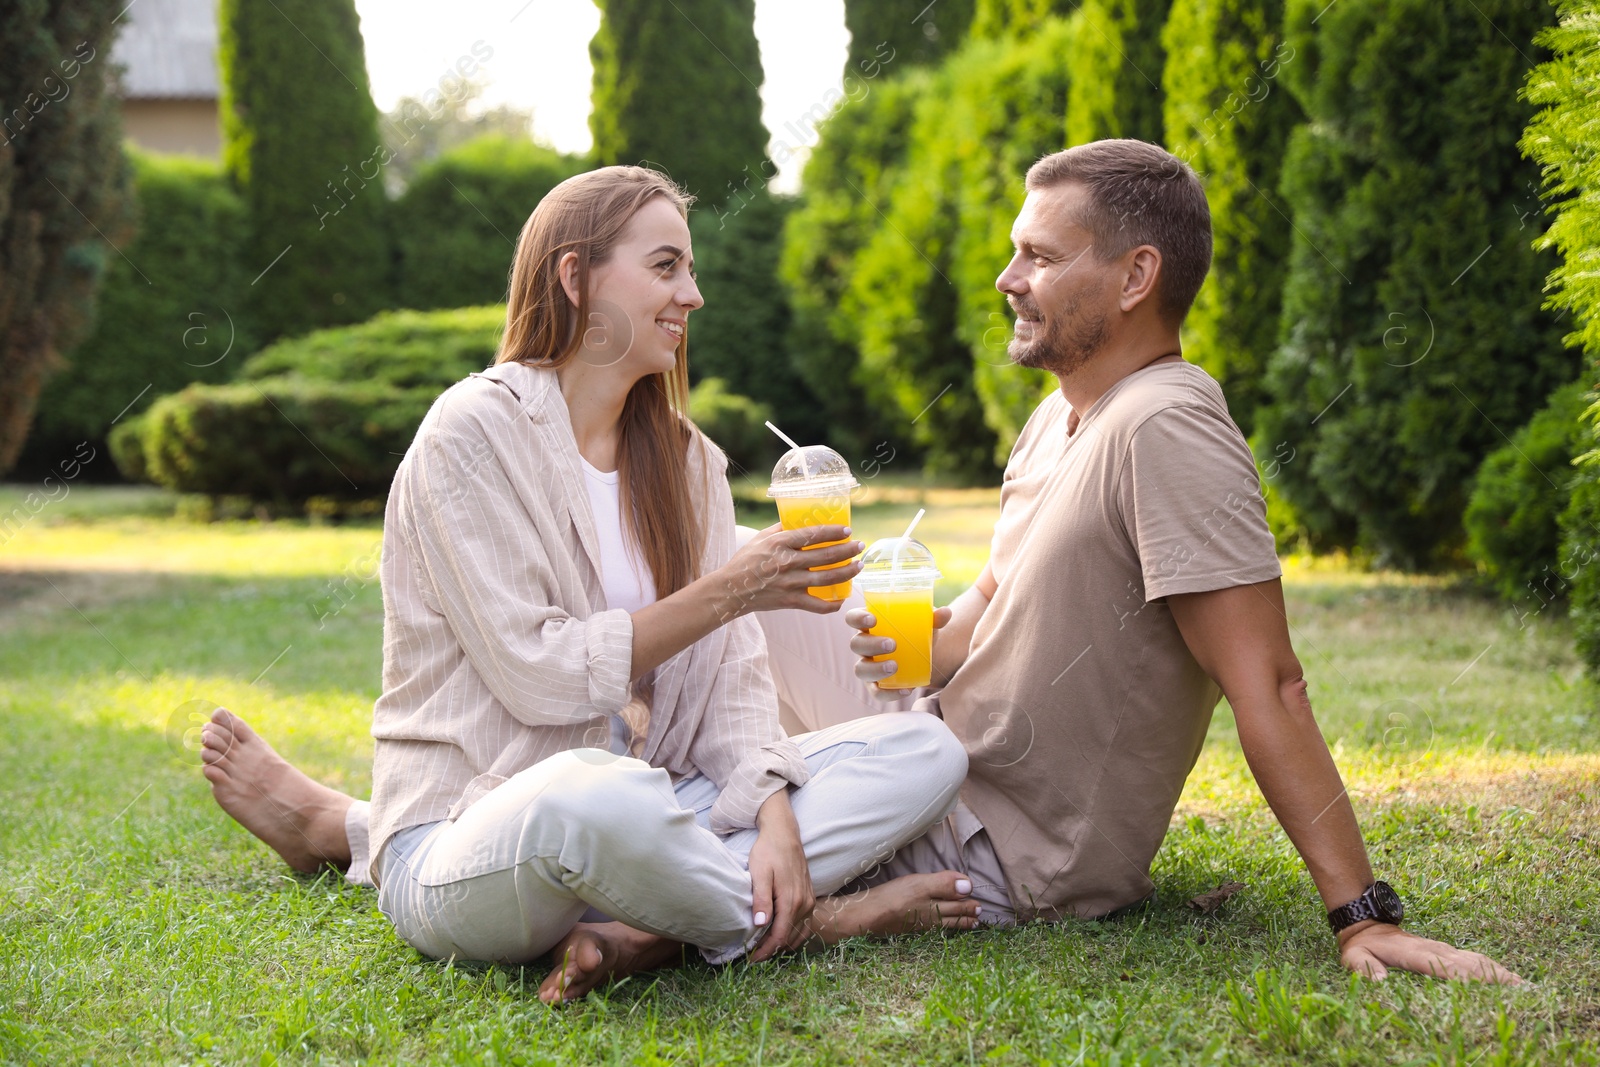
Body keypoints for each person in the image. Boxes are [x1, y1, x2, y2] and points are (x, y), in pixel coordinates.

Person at [207, 141, 1522, 990]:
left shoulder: (1170, 424)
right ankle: (444, 840)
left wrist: (1362, 907)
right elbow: (968, 630)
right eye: (1013, 247)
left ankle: (431, 846)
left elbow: (1269, 681)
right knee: (740, 630)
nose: (1006, 275)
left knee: (742, 675)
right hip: (900, 738)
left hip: (1001, 828)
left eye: (1037, 255)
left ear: (1136, 276)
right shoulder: (1063, 416)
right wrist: (888, 632)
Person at [201, 165, 977, 1005]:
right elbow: (537, 673)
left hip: (659, 802)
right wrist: (732, 589)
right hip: (480, 827)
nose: (695, 294)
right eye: (666, 266)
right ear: (575, 278)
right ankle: (819, 920)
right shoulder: (472, 435)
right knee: (598, 795)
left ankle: (645, 924)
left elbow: (733, 682)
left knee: (923, 750)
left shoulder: (687, 462)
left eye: (689, 268)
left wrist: (777, 814)